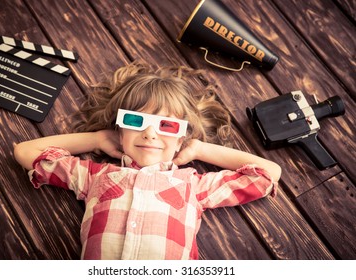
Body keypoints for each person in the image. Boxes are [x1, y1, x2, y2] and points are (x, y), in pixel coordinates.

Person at [14, 62, 281, 260]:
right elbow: (26, 152)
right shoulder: (95, 176)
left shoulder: (193, 186)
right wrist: (95, 139)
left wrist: (198, 149)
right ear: (120, 130)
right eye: (135, 121)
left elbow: (268, 173)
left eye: (167, 125)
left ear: (181, 138)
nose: (150, 133)